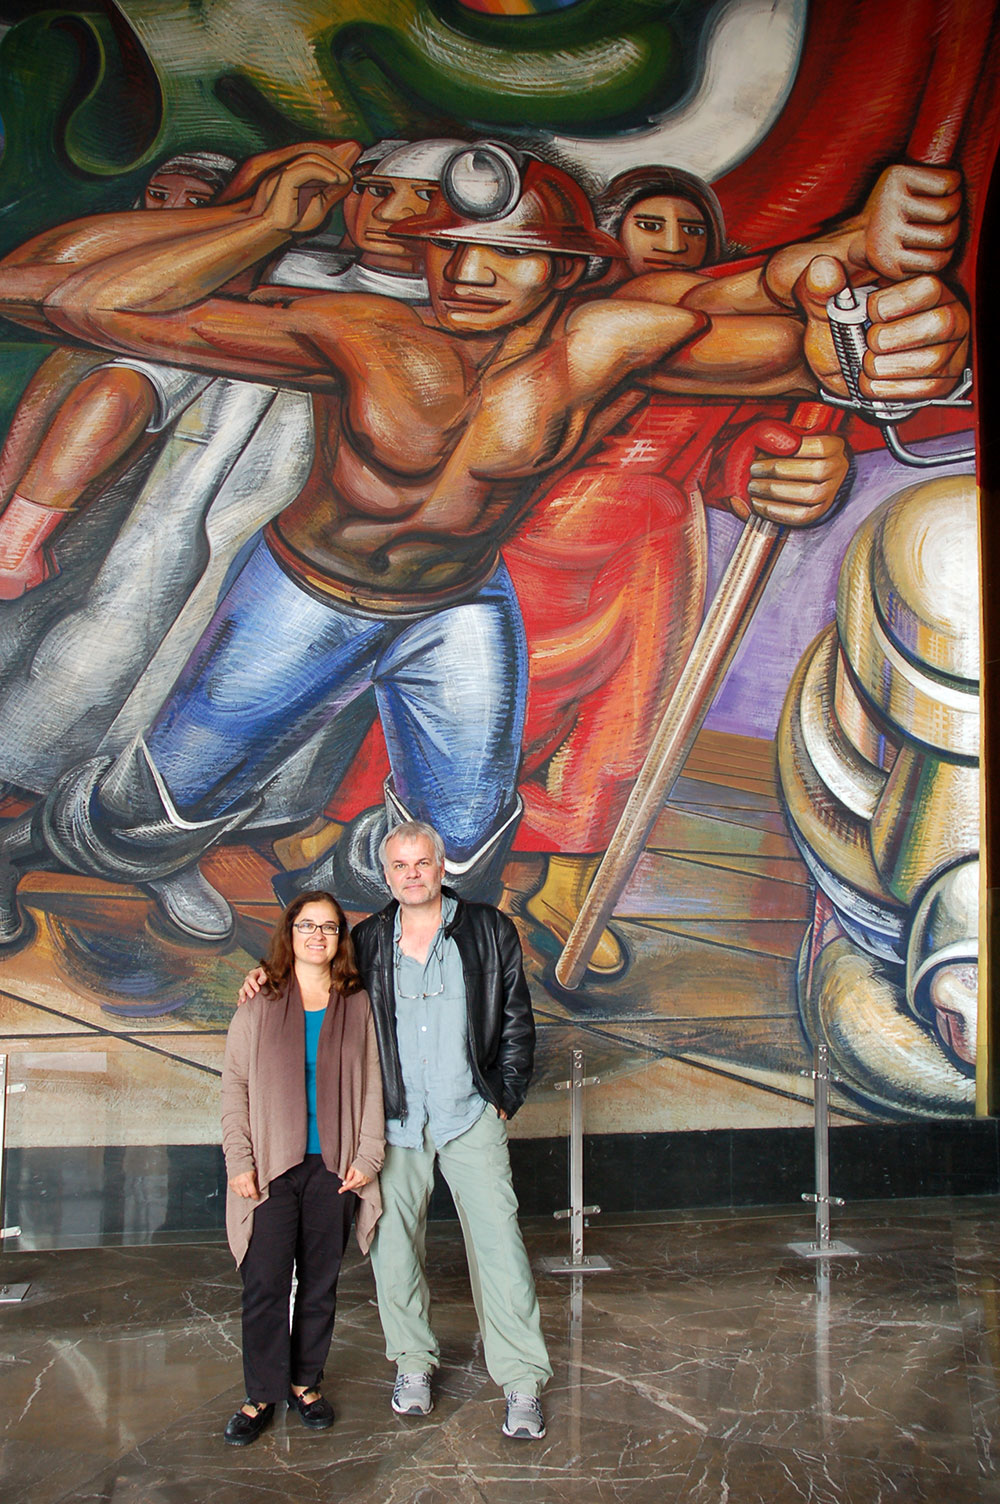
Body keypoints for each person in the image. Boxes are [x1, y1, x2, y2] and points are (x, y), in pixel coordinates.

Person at [0, 143, 966, 950]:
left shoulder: (606, 345)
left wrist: (873, 322)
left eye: (507, 253)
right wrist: (259, 223)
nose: (468, 273)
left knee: (463, 846)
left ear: (568, 268)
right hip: (310, 597)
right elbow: (73, 302)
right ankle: (16, 854)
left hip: (460, 605)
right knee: (153, 811)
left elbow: (799, 331)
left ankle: (353, 902)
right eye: (452, 248)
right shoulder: (360, 331)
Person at [240, 819, 551, 1438]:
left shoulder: (489, 930)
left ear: (442, 866)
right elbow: (317, 979)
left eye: (422, 863)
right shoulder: (368, 940)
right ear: (386, 875)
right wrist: (263, 977)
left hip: (469, 1115)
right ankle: (413, 1364)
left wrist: (505, 1096)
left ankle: (521, 1379)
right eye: (400, 866)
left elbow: (517, 1017)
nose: (412, 875)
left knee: (501, 1248)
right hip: (394, 1121)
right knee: (392, 1250)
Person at [220, 889, 384, 1445]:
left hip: (334, 1167)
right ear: (289, 933)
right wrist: (239, 1160)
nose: (317, 935)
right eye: (307, 925)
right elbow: (235, 1086)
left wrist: (368, 1155)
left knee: (319, 1284)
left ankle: (305, 1383)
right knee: (264, 1283)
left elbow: (373, 1085)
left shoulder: (357, 1003)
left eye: (329, 927)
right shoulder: (260, 1000)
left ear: (340, 939)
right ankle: (261, 1392)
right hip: (270, 1166)